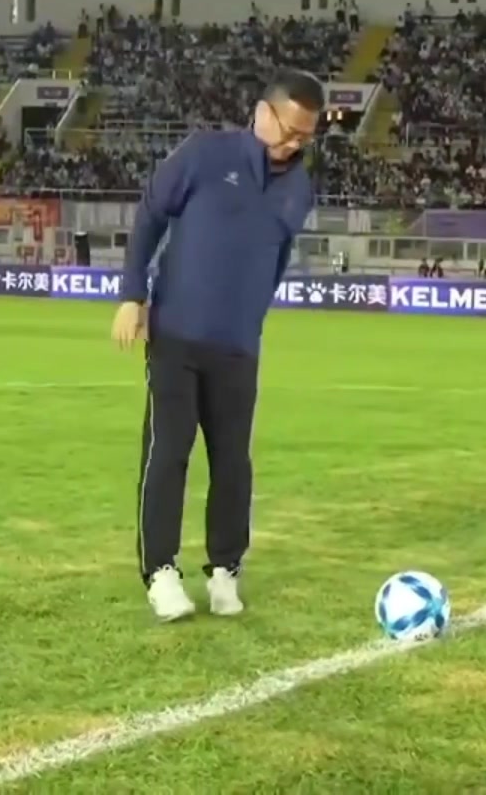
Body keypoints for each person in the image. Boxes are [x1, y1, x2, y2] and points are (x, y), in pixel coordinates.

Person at [112, 72, 322, 622]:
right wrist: (133, 295)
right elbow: (150, 214)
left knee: (233, 463)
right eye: (289, 131)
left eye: (306, 136)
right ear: (263, 114)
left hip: (238, 347)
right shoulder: (205, 154)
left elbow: (276, 259)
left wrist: (251, 318)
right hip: (176, 335)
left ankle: (226, 569)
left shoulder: (299, 188)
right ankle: (160, 572)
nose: (295, 144)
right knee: (169, 451)